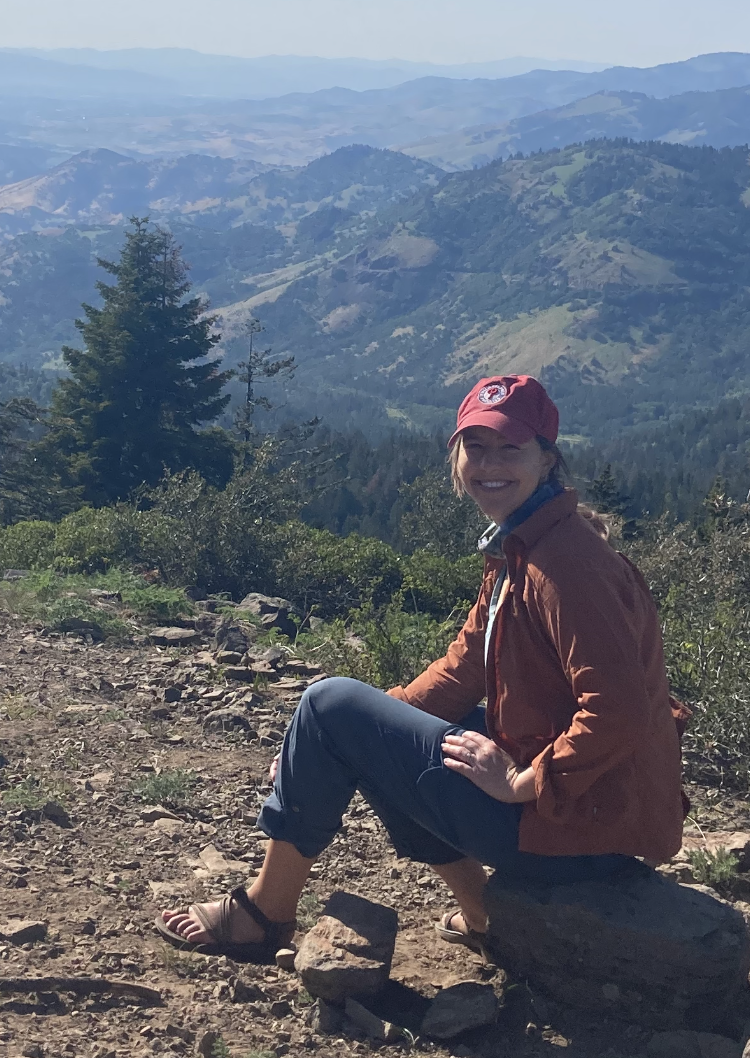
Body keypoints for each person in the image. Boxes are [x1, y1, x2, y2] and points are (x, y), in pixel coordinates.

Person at [156, 374, 687, 961]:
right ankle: (482, 913)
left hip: (578, 829)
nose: (490, 463)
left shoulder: (565, 564)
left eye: (510, 448)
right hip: (587, 816)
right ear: (457, 456)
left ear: (547, 459)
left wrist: (523, 784)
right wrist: (341, 734)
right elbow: (462, 671)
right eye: (476, 446)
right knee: (355, 723)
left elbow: (620, 709)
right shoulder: (526, 545)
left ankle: (264, 911)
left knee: (329, 703)